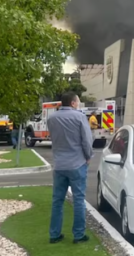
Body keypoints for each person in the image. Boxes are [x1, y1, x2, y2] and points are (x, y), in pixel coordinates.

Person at [47, 92, 93, 244]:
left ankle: (54, 234)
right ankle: (78, 235)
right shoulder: (79, 117)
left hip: (59, 164)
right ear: (73, 103)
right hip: (77, 163)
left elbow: (53, 139)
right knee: (78, 199)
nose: (78, 104)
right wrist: (88, 157)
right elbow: (86, 140)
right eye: (78, 102)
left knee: (57, 201)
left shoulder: (52, 118)